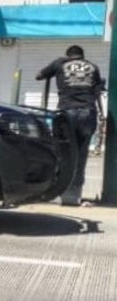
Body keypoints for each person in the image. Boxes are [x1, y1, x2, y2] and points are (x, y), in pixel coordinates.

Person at [37, 45, 103, 207]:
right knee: (81, 155)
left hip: (67, 112)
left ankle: (57, 191)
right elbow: (97, 90)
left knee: (62, 152)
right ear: (82, 55)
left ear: (68, 55)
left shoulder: (60, 63)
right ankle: (73, 196)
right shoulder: (93, 67)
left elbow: (39, 75)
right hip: (88, 112)